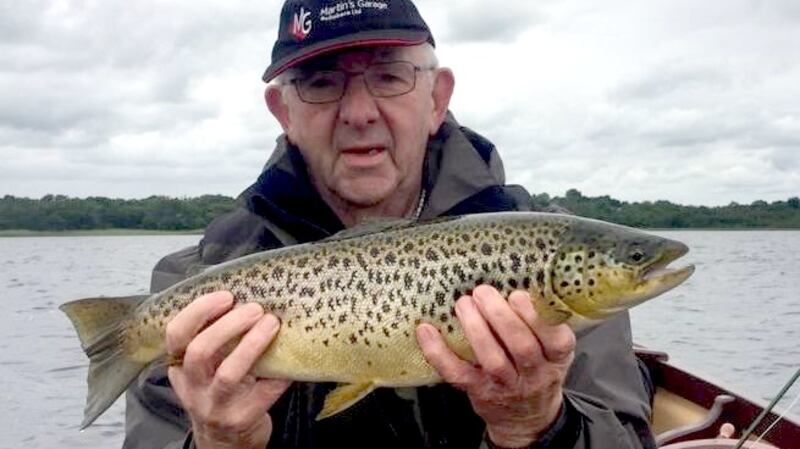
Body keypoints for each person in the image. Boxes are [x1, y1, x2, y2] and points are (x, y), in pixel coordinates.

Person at [123, 1, 656, 448]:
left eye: (387, 76)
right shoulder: (197, 283)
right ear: (283, 113)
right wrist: (218, 443)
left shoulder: (542, 252)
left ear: (437, 98)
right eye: (322, 82)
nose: (359, 111)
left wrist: (537, 427)